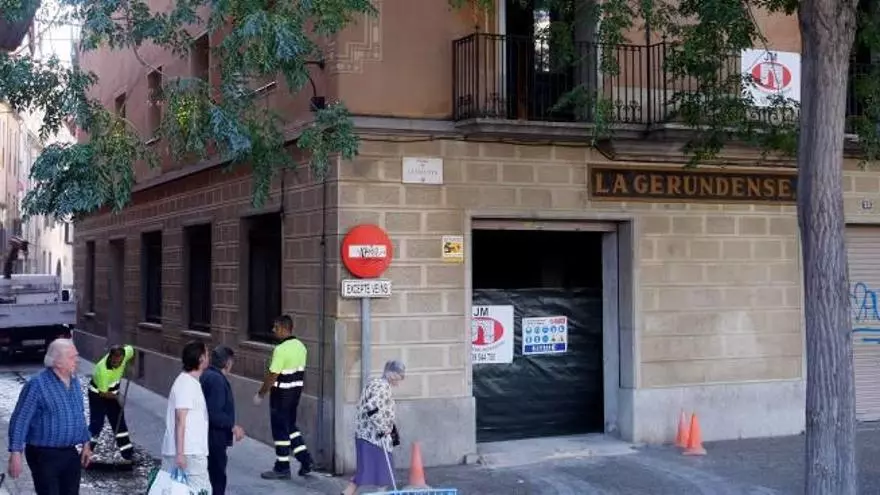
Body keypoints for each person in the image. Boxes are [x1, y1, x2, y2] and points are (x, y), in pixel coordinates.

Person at [7, 338, 93, 495]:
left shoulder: (74, 381)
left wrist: (86, 443)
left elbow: (79, 414)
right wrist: (15, 452)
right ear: (58, 362)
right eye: (72, 357)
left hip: (70, 452)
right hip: (44, 454)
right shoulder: (37, 385)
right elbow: (20, 419)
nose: (77, 360)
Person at [254, 314, 314, 479]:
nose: (273, 330)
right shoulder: (301, 347)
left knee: (280, 431)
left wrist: (261, 394)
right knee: (290, 427)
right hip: (294, 394)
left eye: (275, 327)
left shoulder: (280, 350)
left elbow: (273, 375)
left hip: (280, 396)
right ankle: (305, 460)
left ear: (283, 328)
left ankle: (282, 467)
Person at [342, 360, 406, 495]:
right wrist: (383, 428)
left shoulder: (374, 383)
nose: (399, 380)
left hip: (366, 435)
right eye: (399, 376)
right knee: (384, 472)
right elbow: (371, 408)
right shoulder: (383, 387)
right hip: (374, 437)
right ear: (391, 374)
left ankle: (347, 493)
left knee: (365, 471)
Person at [161, 340, 211, 493]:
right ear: (201, 358)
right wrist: (180, 454)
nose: (209, 357)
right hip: (190, 451)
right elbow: (180, 420)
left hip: (188, 450)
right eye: (207, 353)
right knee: (202, 490)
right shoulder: (186, 384)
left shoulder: (189, 382)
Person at [200, 345, 245, 495]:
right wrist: (233, 426)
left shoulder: (207, 375)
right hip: (214, 438)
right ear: (228, 363)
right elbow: (214, 412)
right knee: (217, 478)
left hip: (207, 436)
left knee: (211, 476)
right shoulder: (217, 380)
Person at [87, 344, 136, 462]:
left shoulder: (125, 353)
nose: (117, 364)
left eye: (119, 362)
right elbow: (103, 393)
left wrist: (131, 365)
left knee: (119, 421)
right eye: (114, 362)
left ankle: (128, 454)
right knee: (97, 424)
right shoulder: (102, 370)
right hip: (98, 395)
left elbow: (132, 350)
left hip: (113, 393)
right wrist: (118, 397)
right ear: (110, 357)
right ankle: (86, 452)